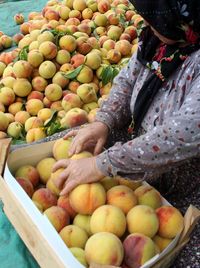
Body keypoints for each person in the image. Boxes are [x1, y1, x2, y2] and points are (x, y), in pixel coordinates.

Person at [53, 1, 200, 265]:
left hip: (183, 182)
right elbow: (128, 80)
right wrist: (104, 122)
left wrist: (104, 164)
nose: (148, 25)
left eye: (156, 21)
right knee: (70, 137)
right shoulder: (157, 40)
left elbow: (183, 133)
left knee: (183, 254)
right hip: (134, 164)